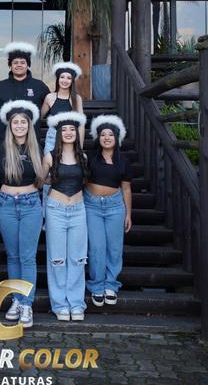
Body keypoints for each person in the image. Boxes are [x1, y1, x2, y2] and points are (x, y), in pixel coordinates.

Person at [0, 100, 44, 328]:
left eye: (24, 122)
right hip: (6, 204)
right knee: (12, 256)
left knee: (27, 257)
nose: (20, 125)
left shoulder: (36, 147)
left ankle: (27, 304)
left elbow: (43, 176)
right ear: (10, 125)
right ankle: (16, 300)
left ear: (29, 125)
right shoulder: (1, 147)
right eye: (16, 122)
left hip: (31, 203)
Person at [42, 111, 88, 321]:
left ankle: (76, 304)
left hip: (78, 209)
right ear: (59, 133)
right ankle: (60, 304)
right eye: (64, 130)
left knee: (78, 258)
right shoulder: (50, 156)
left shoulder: (83, 157)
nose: (68, 132)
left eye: (72, 129)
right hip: (56, 209)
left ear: (77, 133)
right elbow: (40, 180)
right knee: (57, 258)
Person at [85, 115, 132, 307]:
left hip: (115, 207)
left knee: (114, 248)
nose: (106, 137)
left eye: (110, 134)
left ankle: (111, 285)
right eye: (103, 134)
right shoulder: (89, 158)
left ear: (116, 137)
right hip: (92, 205)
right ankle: (97, 285)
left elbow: (126, 189)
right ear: (98, 138)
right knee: (96, 247)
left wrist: (128, 214)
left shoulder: (124, 161)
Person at [0, 42, 50, 141]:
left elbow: (51, 109)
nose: (19, 65)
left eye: (22, 62)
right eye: (15, 62)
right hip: (5, 140)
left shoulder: (39, 86)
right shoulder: (0, 86)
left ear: (28, 65)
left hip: (32, 140)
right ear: (10, 65)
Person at [41, 61, 84, 153]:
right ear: (58, 79)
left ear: (72, 81)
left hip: (70, 137)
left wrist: (80, 147)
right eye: (62, 77)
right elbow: (39, 117)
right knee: (49, 160)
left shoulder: (76, 99)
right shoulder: (50, 97)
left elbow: (81, 124)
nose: (65, 80)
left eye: (69, 78)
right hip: (53, 136)